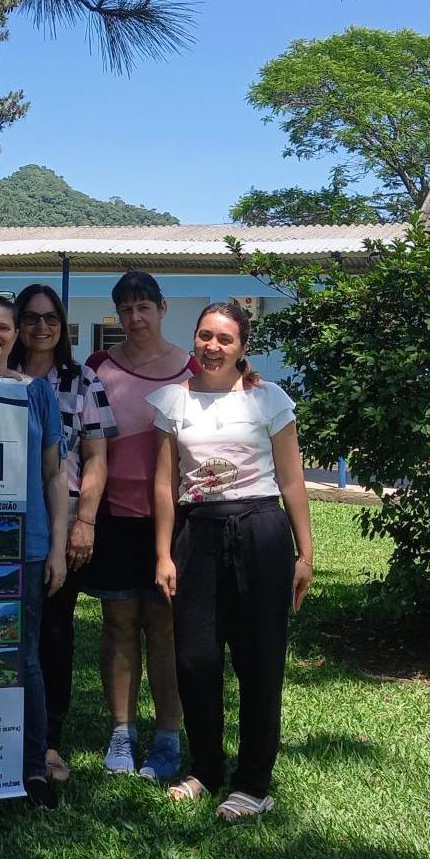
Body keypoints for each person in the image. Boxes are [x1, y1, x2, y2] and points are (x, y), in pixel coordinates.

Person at [151, 301, 315, 821]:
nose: (212, 346)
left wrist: (305, 553)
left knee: (259, 661)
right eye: (205, 336)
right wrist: (162, 551)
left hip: (260, 532)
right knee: (195, 659)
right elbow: (163, 484)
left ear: (243, 347)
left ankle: (253, 783)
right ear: (194, 340)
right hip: (196, 533)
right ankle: (205, 768)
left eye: (225, 339)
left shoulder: (269, 399)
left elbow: (291, 480)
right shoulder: (173, 402)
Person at [79, 270, 192, 781]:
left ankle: (168, 737)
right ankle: (121, 733)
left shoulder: (191, 370)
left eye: (144, 306)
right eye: (126, 309)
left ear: (163, 309)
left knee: (165, 629)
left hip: (173, 520)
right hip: (113, 517)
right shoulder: (99, 367)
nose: (135, 317)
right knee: (119, 624)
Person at [0, 292, 68, 809]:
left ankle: (31, 769)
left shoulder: (38, 395)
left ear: (16, 335)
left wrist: (57, 547)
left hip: (23, 545)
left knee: (23, 657)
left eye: (4, 327)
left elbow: (54, 475)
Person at [7, 284, 114, 783]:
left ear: (63, 324)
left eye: (51, 318)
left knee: (53, 633)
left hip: (59, 525)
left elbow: (95, 458)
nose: (41, 327)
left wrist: (84, 523)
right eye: (30, 318)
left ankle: (49, 741)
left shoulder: (83, 380)